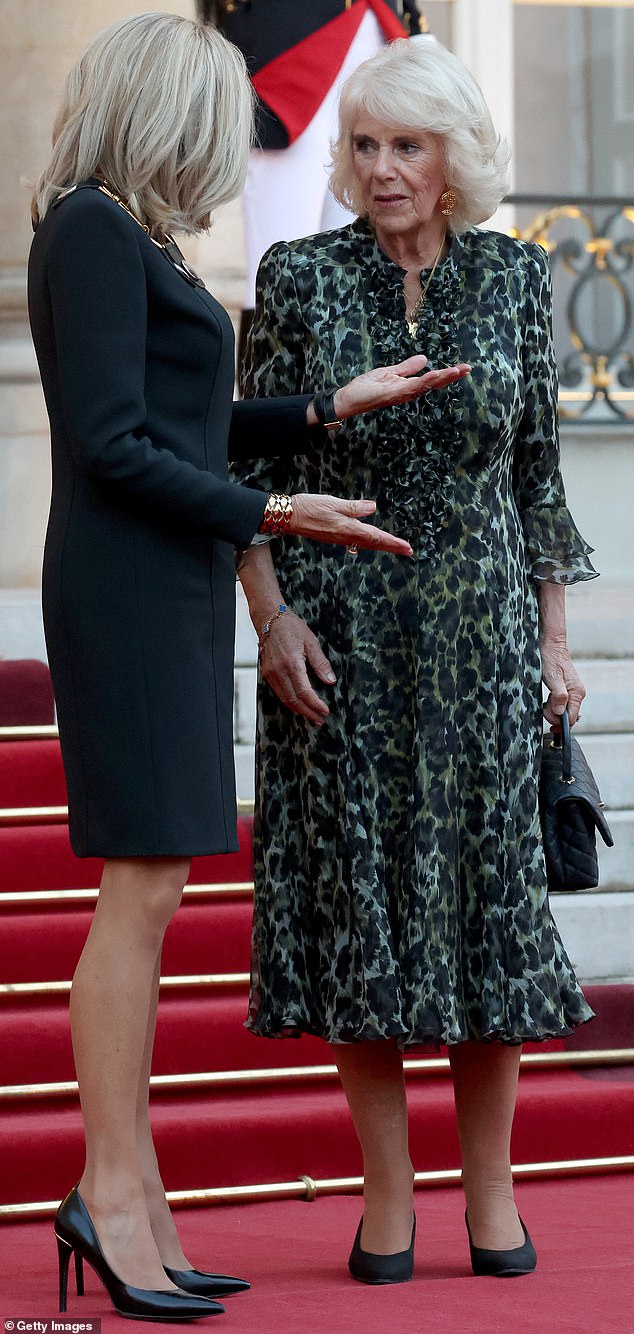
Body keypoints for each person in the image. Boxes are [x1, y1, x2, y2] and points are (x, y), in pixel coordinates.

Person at [27, 13, 469, 1322]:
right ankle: (112, 1195)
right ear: (169, 112)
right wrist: (274, 513)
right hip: (122, 592)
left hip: (162, 591)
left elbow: (186, 421)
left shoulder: (129, 237)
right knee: (139, 897)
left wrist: (326, 410)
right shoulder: (91, 231)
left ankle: (137, 1195)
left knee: (153, 896)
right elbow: (110, 443)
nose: (242, 155)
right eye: (225, 126)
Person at [234, 36, 598, 1284]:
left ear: (455, 158)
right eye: (367, 145)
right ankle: (387, 1202)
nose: (383, 169)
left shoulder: (510, 278)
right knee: (364, 921)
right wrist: (270, 620)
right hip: (336, 650)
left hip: (483, 647)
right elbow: (248, 473)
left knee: (489, 921)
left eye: (409, 145)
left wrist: (554, 643)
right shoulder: (296, 276)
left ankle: (490, 1200)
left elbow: (536, 478)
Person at [199, 1, 426, 365]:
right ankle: (269, 414)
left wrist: (412, 23)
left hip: (374, 38)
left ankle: (339, 410)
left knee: (350, 280)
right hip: (292, 44)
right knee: (276, 272)